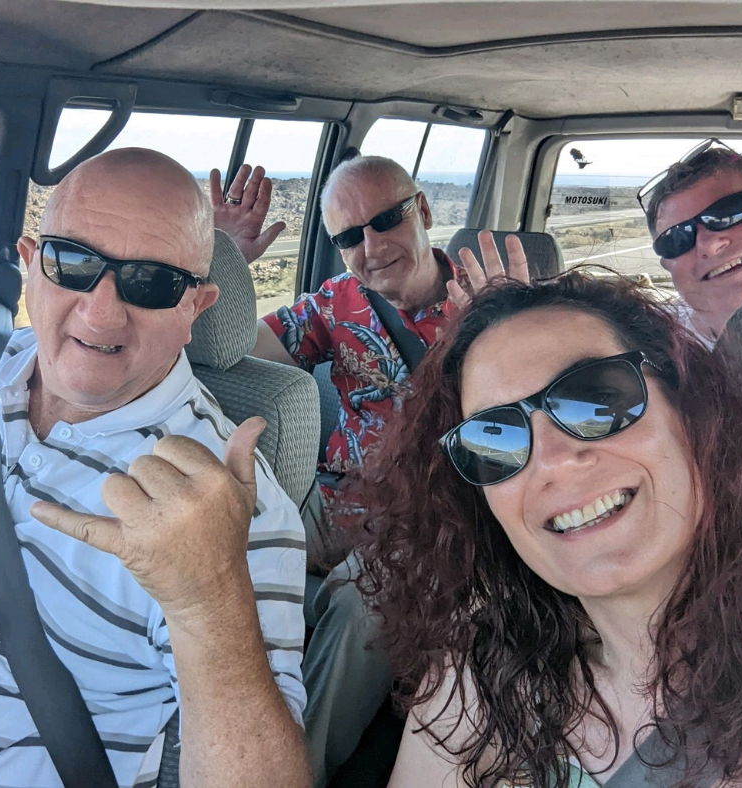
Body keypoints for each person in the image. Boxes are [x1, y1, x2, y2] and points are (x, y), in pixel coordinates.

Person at [0, 148, 310, 787]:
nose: (101, 311)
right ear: (32, 264)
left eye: (150, 282)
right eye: (73, 263)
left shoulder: (227, 505)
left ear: (195, 308)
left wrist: (209, 598)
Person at [350, 270, 742, 786]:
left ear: (688, 410)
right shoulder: (477, 680)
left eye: (597, 398)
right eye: (496, 439)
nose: (552, 461)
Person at [214, 155, 528, 786]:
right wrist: (222, 262)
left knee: (364, 601)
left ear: (425, 212)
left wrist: (507, 329)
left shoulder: (491, 305)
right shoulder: (337, 303)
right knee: (219, 539)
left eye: (387, 219)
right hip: (333, 505)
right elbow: (228, 354)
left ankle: (292, 769)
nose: (372, 246)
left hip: (441, 518)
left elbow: (526, 428)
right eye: (349, 236)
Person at [641, 140, 742, 344]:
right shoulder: (648, 348)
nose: (709, 246)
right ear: (667, 266)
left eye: (731, 212)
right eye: (677, 238)